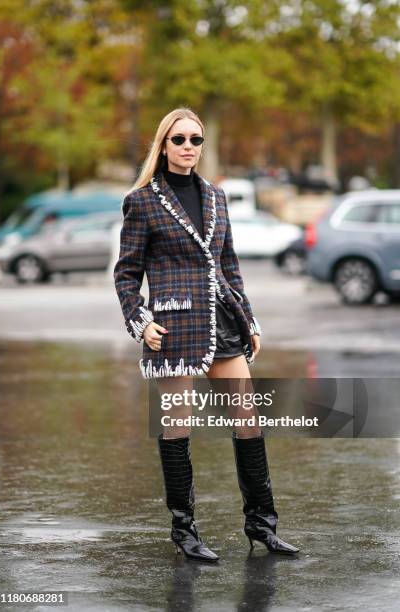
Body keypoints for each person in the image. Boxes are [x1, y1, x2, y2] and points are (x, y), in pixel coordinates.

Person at [113, 107, 299, 562]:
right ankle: (185, 531)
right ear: (164, 144)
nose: (189, 148)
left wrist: (249, 319)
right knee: (177, 427)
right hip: (173, 331)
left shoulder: (216, 196)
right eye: (179, 140)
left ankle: (262, 526)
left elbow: (229, 266)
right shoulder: (142, 202)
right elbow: (126, 274)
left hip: (222, 323)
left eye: (196, 140)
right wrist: (141, 321)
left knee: (249, 420)